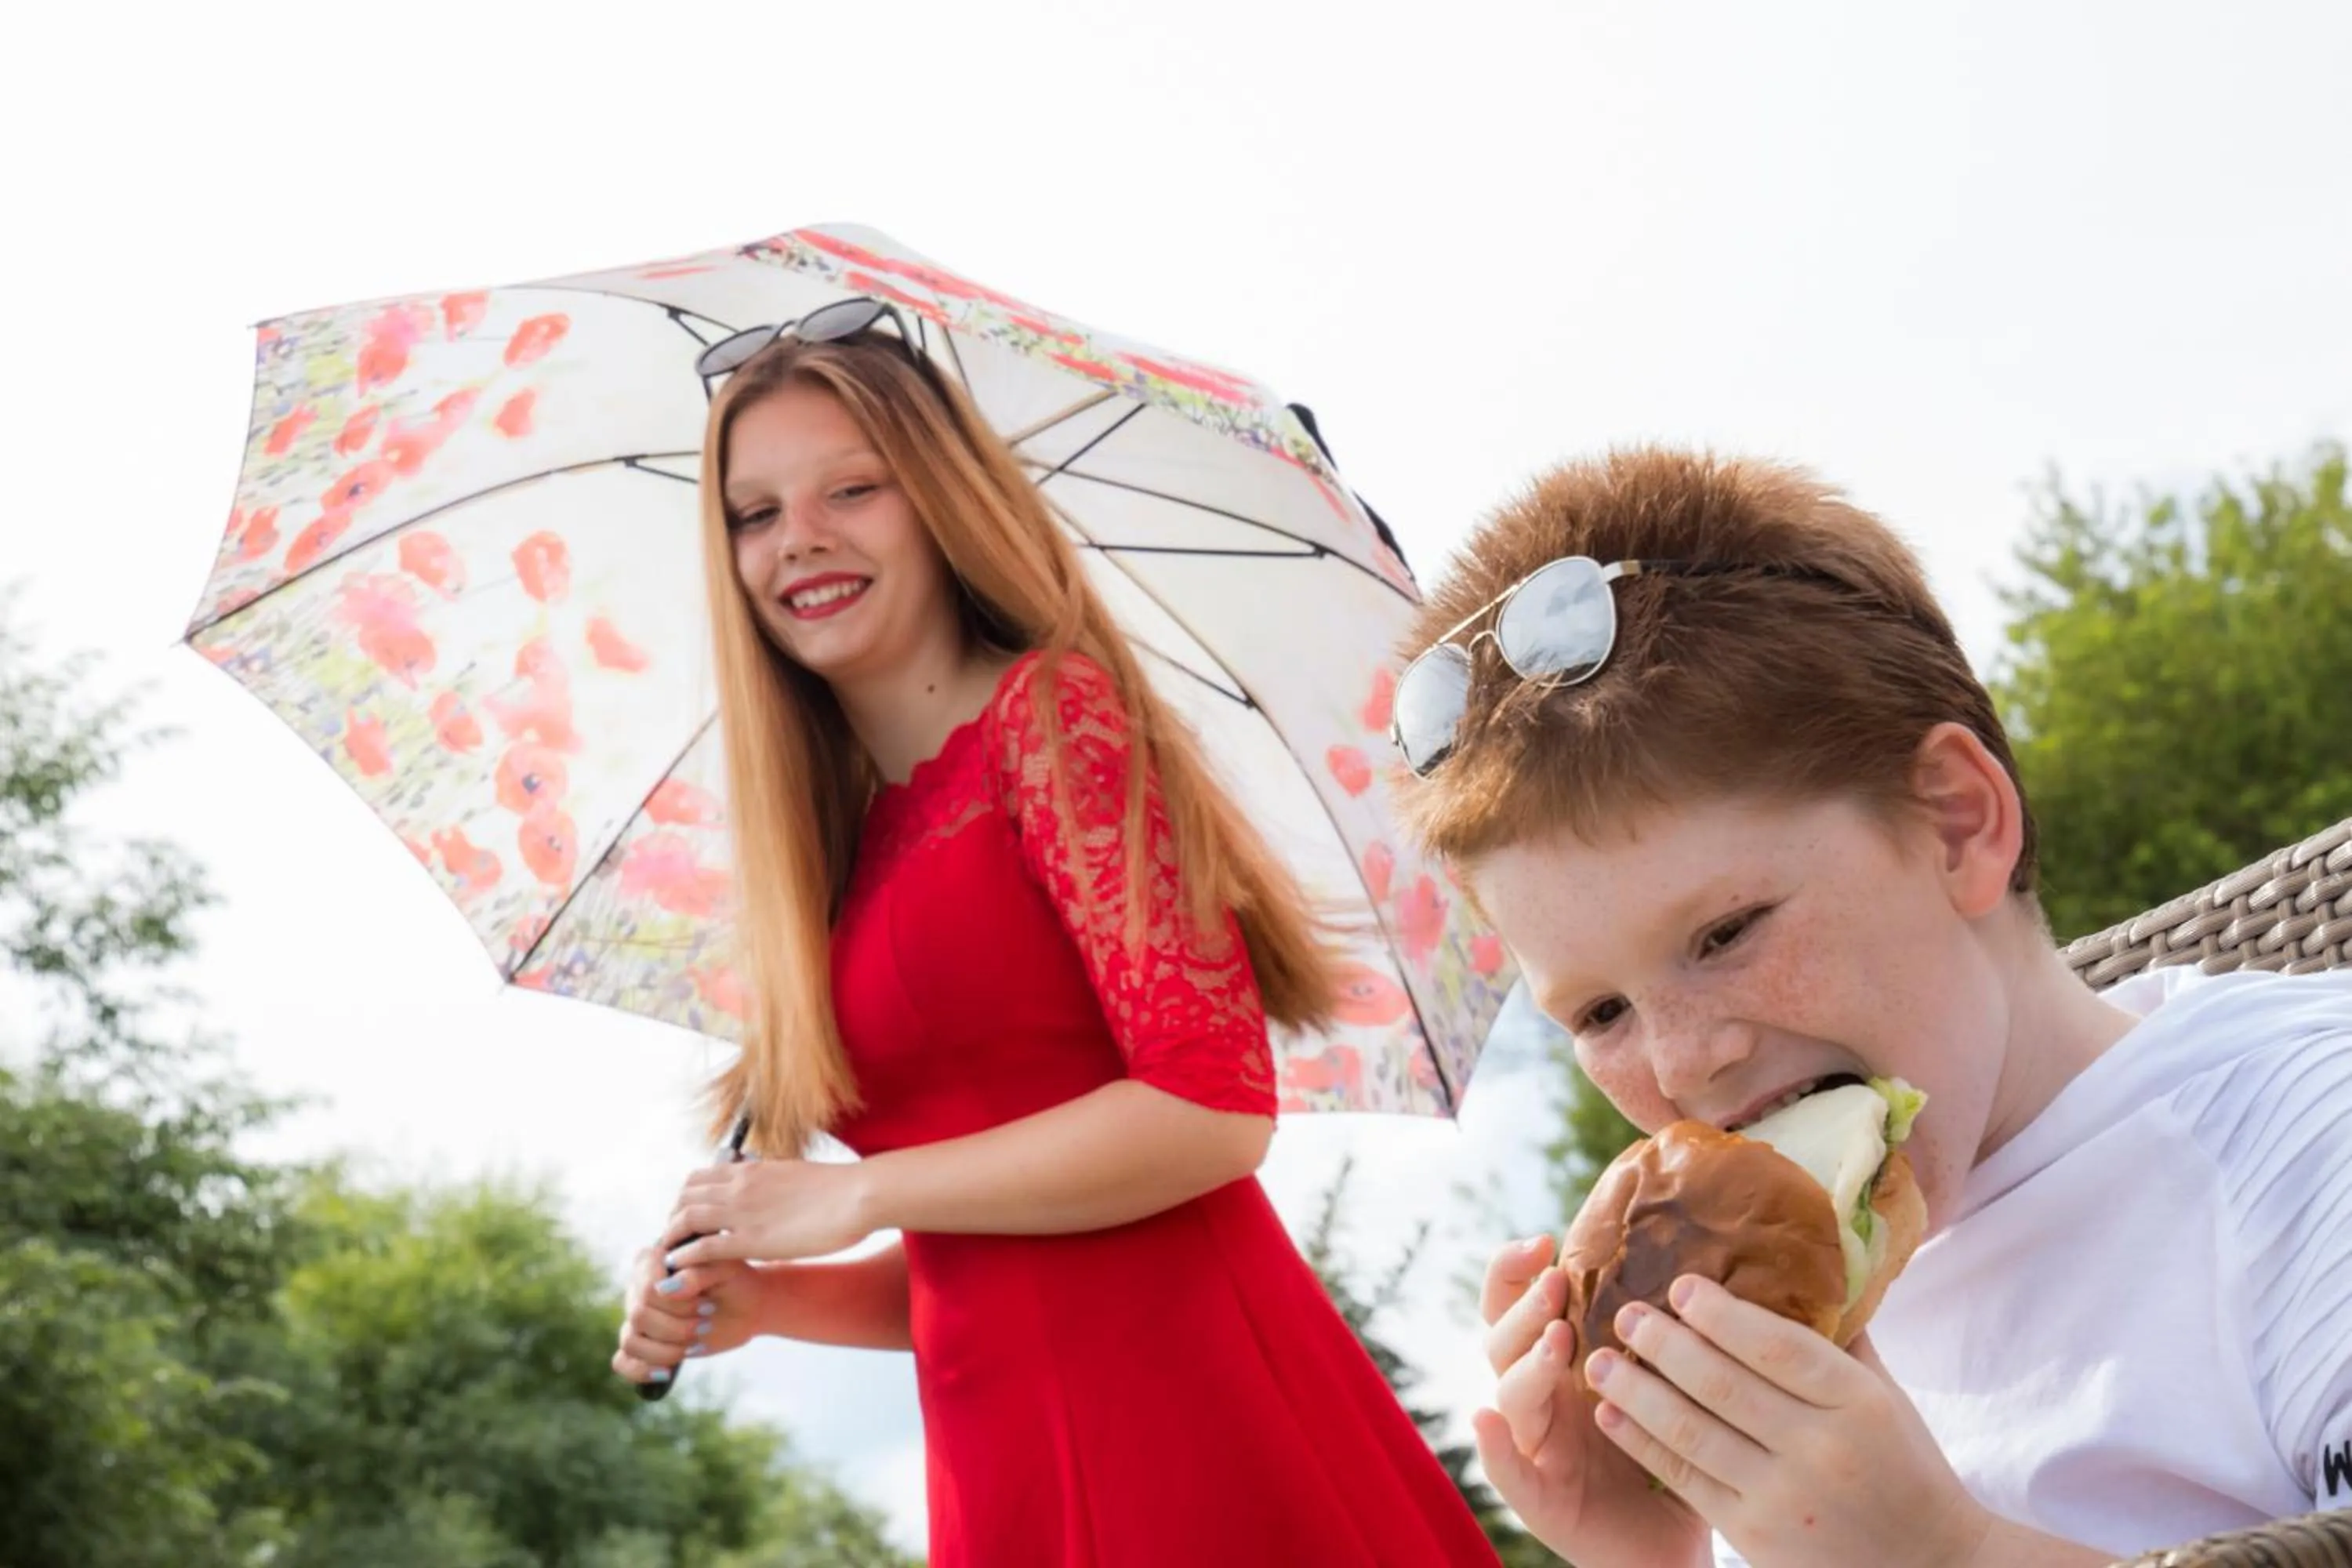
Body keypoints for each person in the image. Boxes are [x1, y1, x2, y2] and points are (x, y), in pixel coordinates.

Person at [609, 300, 1501, 1567]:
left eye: (852, 489)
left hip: (1192, 1431)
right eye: (754, 513)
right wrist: (768, 1298)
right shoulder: (842, 850)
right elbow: (987, 1266)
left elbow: (1210, 1111)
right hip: (1004, 1463)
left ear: (938, 501)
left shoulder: (1054, 719)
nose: (798, 538)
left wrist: (855, 1191)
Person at [1384, 448, 2352, 1568]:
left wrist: (1948, 1556)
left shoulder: (2298, 1138)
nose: (1684, 1064)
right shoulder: (1792, 1317)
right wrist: (1663, 1552)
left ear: (1955, 824)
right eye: (1601, 1013)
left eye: (1726, 933)